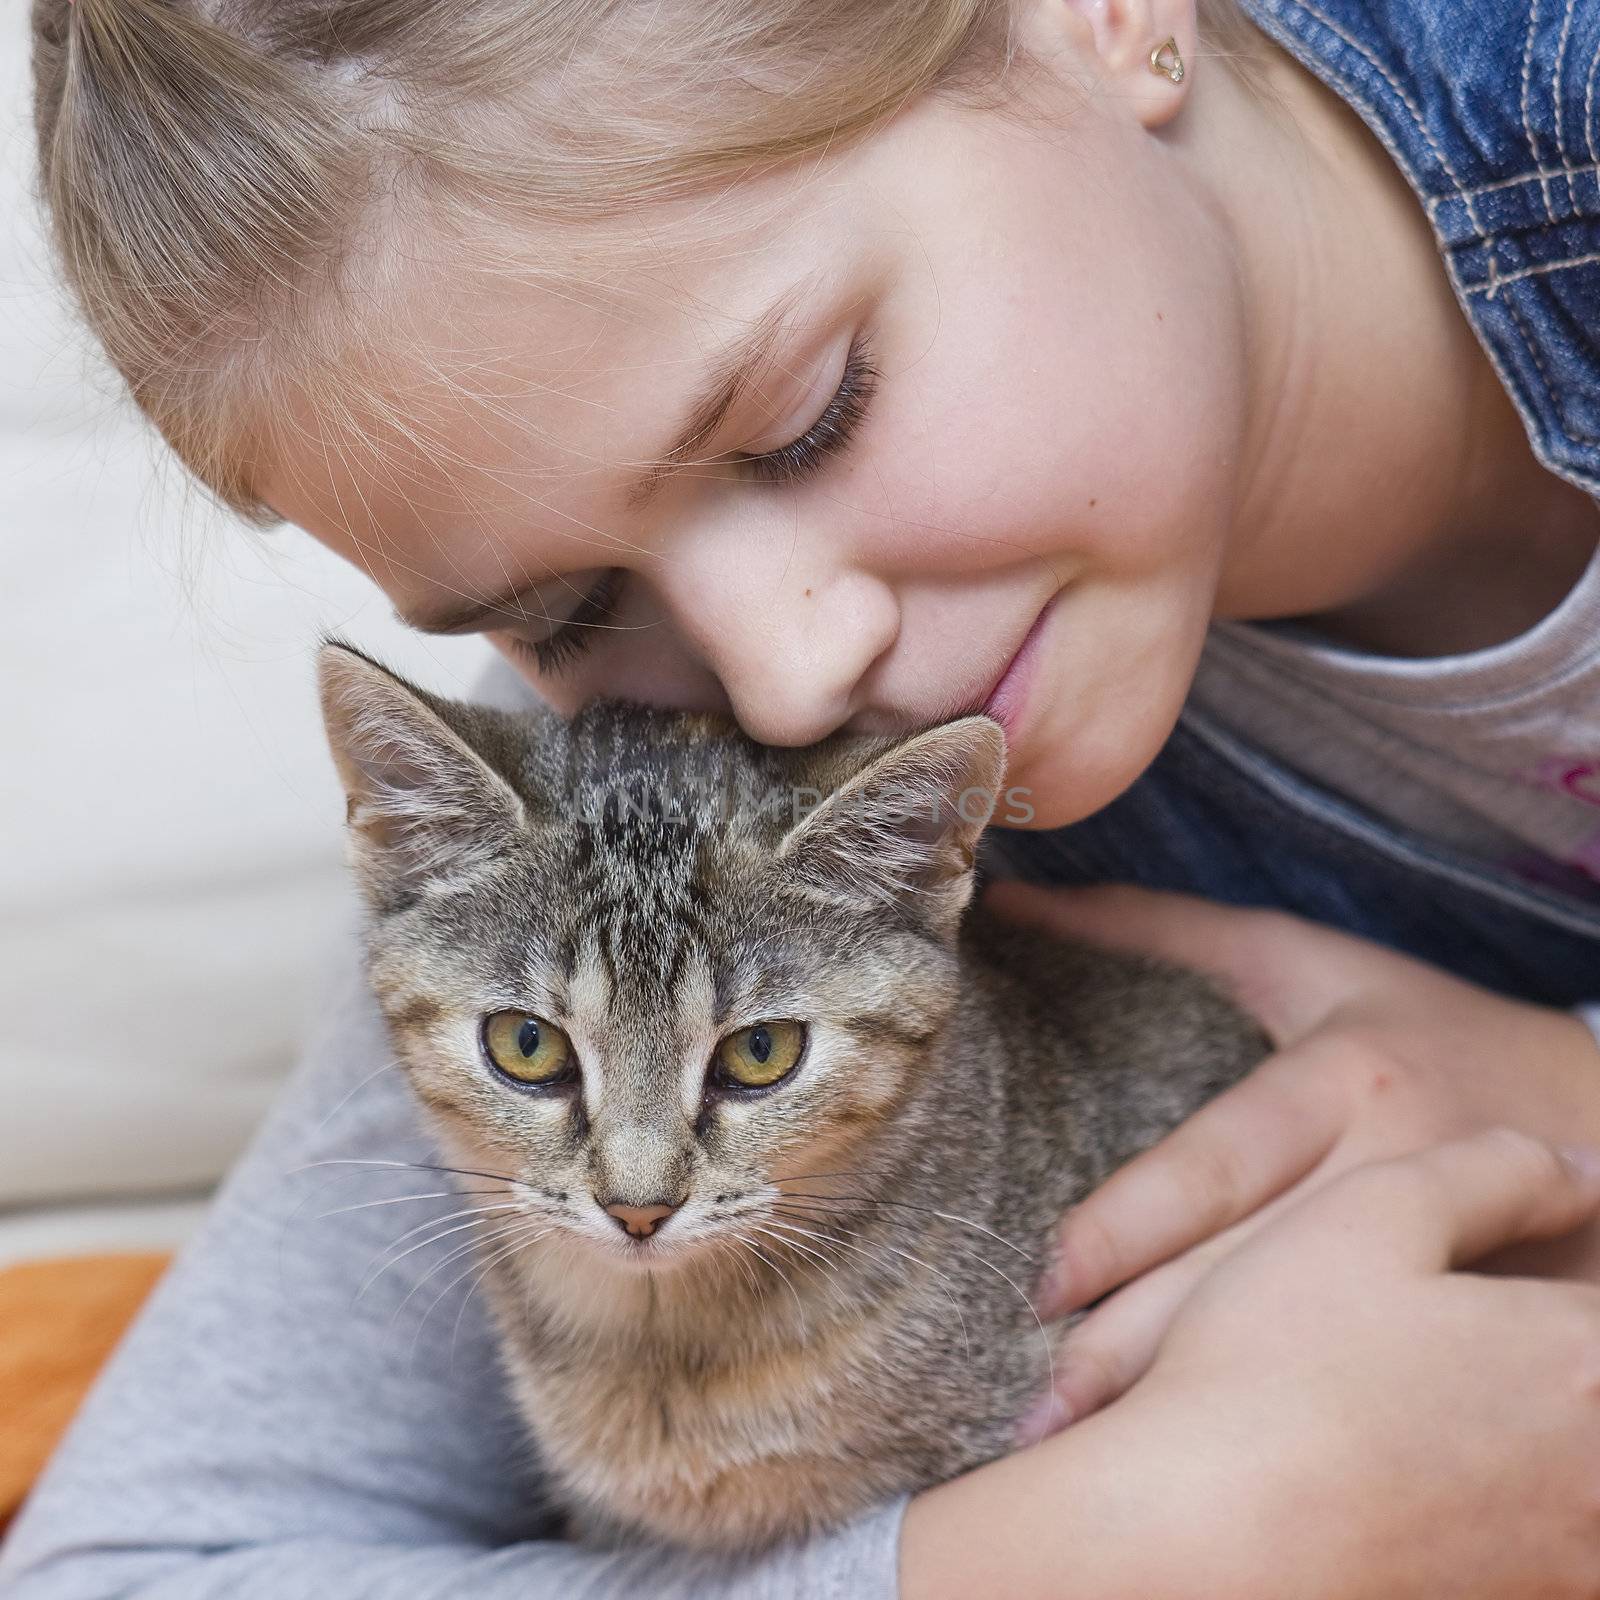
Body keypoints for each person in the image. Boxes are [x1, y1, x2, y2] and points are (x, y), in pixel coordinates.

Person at [7, 0, 1600, 1593]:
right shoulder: (614, 793)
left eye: (806, 418)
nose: (784, 681)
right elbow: (136, 1562)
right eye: (565, 608)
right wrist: (1138, 1545)